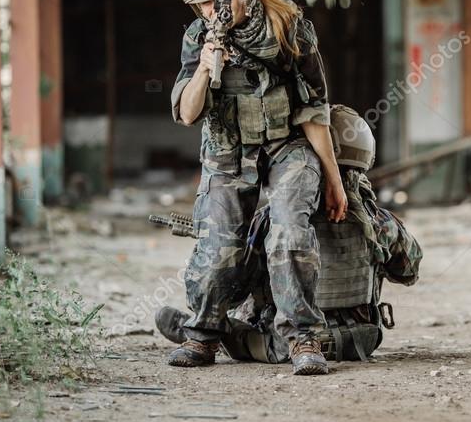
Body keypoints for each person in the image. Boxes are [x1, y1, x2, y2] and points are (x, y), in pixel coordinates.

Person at [169, 0, 347, 376]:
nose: (211, 11)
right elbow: (188, 113)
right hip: (228, 151)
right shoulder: (199, 37)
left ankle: (304, 337)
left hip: (288, 146)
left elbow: (315, 109)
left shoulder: (290, 30)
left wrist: (332, 178)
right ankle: (202, 335)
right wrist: (206, 67)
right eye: (202, 5)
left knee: (288, 232)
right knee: (219, 245)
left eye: (218, 0)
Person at [156, 105, 424, 365]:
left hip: (285, 344)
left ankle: (205, 333)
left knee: (238, 331)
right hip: (358, 342)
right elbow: (409, 271)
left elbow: (237, 288)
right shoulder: (381, 222)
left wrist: (223, 248)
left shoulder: (274, 221)